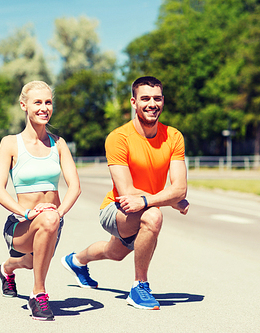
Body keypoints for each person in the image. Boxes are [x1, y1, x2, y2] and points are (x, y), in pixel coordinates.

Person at [61, 76, 189, 310]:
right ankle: (139, 287)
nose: (152, 104)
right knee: (153, 216)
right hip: (116, 208)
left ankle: (77, 261)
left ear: (163, 101)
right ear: (134, 102)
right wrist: (168, 201)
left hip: (142, 205)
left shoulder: (174, 136)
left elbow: (180, 188)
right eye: (145, 98)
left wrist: (162, 199)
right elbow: (127, 192)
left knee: (114, 252)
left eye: (157, 98)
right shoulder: (118, 138)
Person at [0, 81, 81, 321]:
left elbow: (75, 186)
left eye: (48, 102)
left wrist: (59, 213)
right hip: (21, 224)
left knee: (32, 263)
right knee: (37, 254)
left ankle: (6, 269)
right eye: (38, 102)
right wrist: (29, 213)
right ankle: (38, 294)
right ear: (24, 105)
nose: (44, 108)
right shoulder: (10, 143)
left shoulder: (59, 144)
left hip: (52, 222)